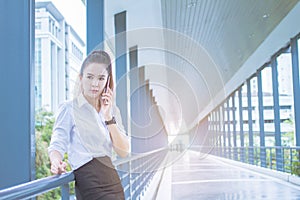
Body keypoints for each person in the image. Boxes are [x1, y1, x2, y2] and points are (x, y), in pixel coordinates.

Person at [48, 50, 129, 200]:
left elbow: (123, 151)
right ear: (80, 78)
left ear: (107, 81)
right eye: (89, 77)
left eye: (101, 78)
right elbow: (57, 143)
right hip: (89, 182)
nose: (95, 84)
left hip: (112, 180)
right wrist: (55, 162)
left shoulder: (112, 110)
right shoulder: (69, 108)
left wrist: (108, 117)